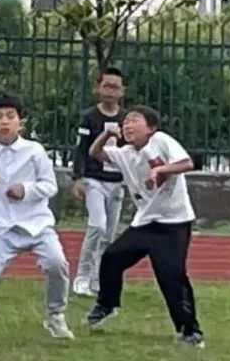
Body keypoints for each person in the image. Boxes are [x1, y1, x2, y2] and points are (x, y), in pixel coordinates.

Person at [0, 92, 74, 350]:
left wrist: (25, 190)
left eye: (10, 116)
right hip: (0, 229)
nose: (4, 122)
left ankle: (55, 316)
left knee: (57, 264)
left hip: (37, 225)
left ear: (21, 123)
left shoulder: (34, 150)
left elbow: (50, 185)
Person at [83, 105, 205, 348]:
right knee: (112, 257)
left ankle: (190, 330)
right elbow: (94, 152)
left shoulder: (160, 140)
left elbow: (187, 163)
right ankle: (107, 304)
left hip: (173, 224)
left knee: (171, 275)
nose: (128, 125)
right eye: (126, 121)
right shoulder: (125, 153)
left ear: (151, 128)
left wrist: (161, 169)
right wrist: (106, 135)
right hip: (145, 222)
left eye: (135, 120)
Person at [70, 67, 127, 297]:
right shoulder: (89, 117)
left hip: (117, 182)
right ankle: (82, 277)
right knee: (97, 225)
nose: (110, 92)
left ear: (122, 91)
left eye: (115, 87)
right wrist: (77, 178)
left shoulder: (126, 119)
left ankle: (98, 279)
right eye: (106, 86)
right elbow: (81, 149)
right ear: (98, 88)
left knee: (109, 235)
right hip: (94, 180)